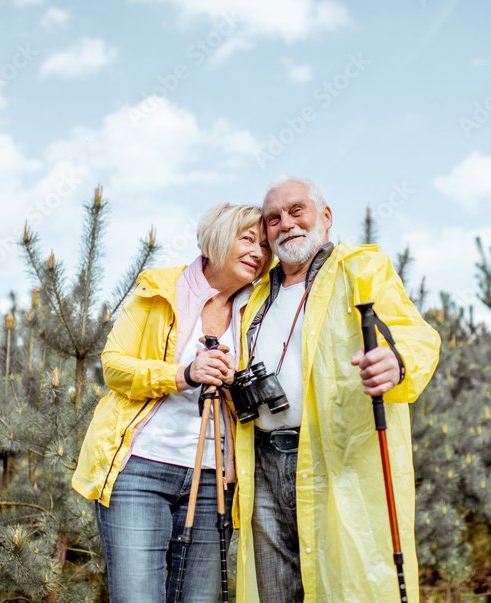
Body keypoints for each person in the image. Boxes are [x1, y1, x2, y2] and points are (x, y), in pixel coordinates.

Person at [233, 177, 441, 602]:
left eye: (297, 210)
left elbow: (415, 334)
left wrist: (397, 361)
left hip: (335, 459)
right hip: (263, 463)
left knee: (348, 585)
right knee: (274, 592)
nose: (286, 224)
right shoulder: (253, 296)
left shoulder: (361, 269)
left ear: (325, 217)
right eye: (274, 218)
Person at [72, 203, 270, 603]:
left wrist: (234, 384)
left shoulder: (259, 309)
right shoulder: (161, 287)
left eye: (265, 245)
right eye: (247, 239)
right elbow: (114, 366)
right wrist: (183, 374)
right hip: (140, 471)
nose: (259, 253)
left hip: (215, 477)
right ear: (217, 239)